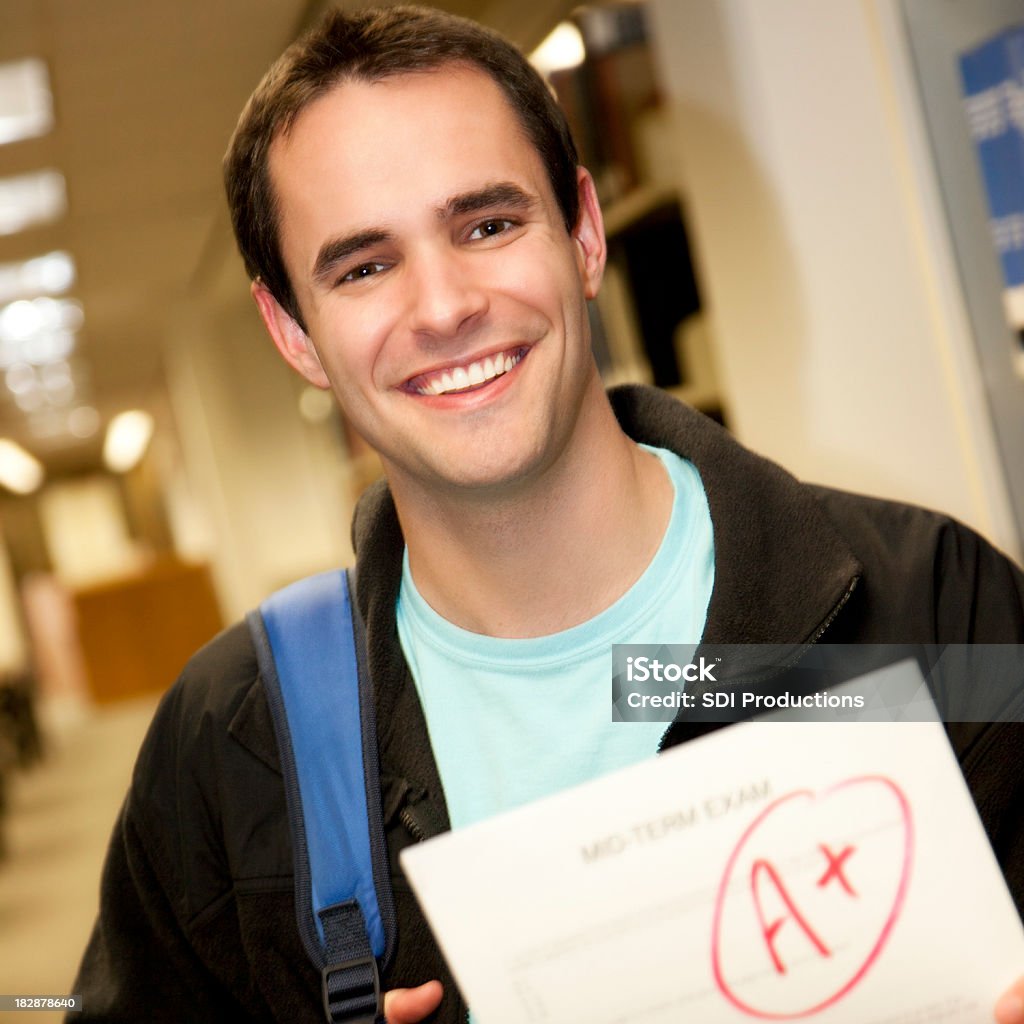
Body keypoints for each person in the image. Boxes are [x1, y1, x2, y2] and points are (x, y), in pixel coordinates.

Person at [71, 6, 1024, 1023]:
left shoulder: (931, 606)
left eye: (486, 224)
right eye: (363, 267)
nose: (443, 307)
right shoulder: (234, 746)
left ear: (582, 231)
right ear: (293, 331)